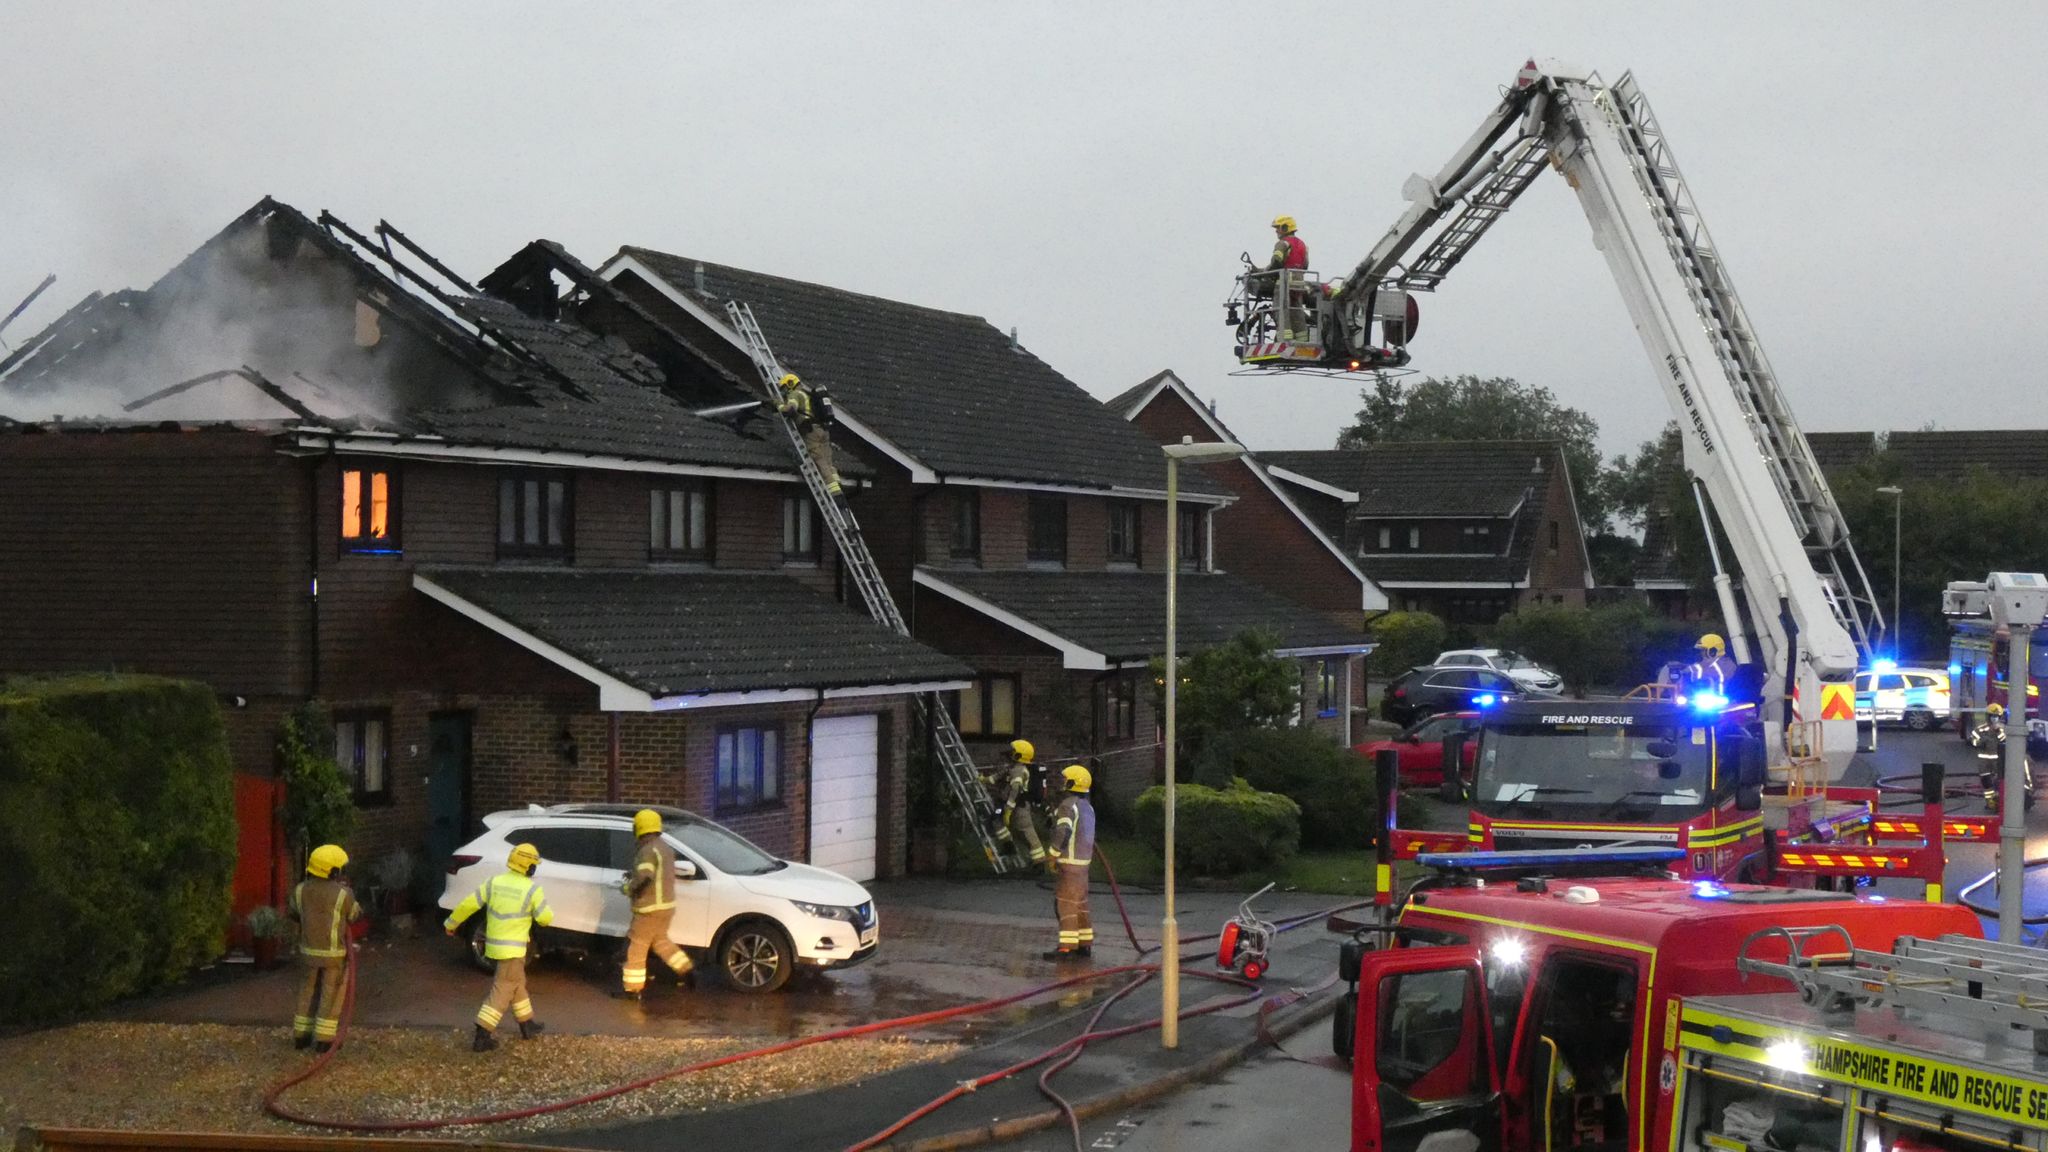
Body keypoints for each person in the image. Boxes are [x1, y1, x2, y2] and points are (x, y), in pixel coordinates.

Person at [444, 842, 554, 1052]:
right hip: (514, 951)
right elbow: (545, 919)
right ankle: (482, 1034)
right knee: (503, 988)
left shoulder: (494, 882)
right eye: (534, 865)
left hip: (493, 947)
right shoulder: (532, 890)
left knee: (517, 984)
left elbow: (469, 903)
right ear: (529, 867)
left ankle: (527, 1024)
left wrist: (451, 923)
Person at [288, 843, 362, 1052]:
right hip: (333, 955)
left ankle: (301, 1036)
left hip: (307, 952)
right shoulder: (343, 894)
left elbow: (294, 914)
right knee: (331, 994)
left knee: (307, 991)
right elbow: (355, 915)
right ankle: (324, 1040)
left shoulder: (300, 890)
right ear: (333, 870)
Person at [616, 809, 694, 1000]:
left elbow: (645, 877)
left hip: (648, 909)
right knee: (661, 942)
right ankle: (687, 970)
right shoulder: (664, 848)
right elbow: (656, 873)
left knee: (636, 948)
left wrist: (629, 888)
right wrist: (633, 874)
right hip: (666, 907)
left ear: (639, 828)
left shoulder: (647, 850)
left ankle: (632, 990)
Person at [1043, 765, 1096, 961]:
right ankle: (1084, 944)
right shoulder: (1087, 807)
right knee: (1081, 904)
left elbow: (1063, 832)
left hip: (1069, 863)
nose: (1062, 783)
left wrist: (1053, 854)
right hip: (1083, 864)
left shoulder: (1067, 805)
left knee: (1066, 905)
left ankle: (1066, 948)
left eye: (1065, 780)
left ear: (1073, 783)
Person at [776, 373, 842, 499]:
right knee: (828, 461)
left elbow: (790, 409)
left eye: (784, 388)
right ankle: (837, 484)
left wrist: (778, 404)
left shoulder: (795, 394)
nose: (784, 392)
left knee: (819, 460)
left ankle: (835, 493)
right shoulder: (808, 395)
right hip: (823, 430)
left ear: (790, 384)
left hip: (811, 431)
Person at [983, 739, 1047, 868]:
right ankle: (1009, 846)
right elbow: (996, 777)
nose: (1010, 753)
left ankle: (1039, 863)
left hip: (1019, 807)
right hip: (1010, 805)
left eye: (1013, 751)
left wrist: (1008, 810)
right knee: (996, 821)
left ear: (1018, 755)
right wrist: (983, 779)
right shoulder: (1012, 768)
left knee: (1027, 832)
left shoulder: (1019, 770)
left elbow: (1015, 790)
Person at [1264, 215, 1311, 341]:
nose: (1276, 231)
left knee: (1281, 309)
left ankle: (1284, 338)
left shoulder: (1282, 243)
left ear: (1285, 227)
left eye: (1278, 228)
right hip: (1299, 283)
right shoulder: (1303, 245)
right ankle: (1302, 339)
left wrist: (1265, 272)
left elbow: (1276, 262)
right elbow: (1305, 265)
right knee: (1297, 311)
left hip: (1284, 282)